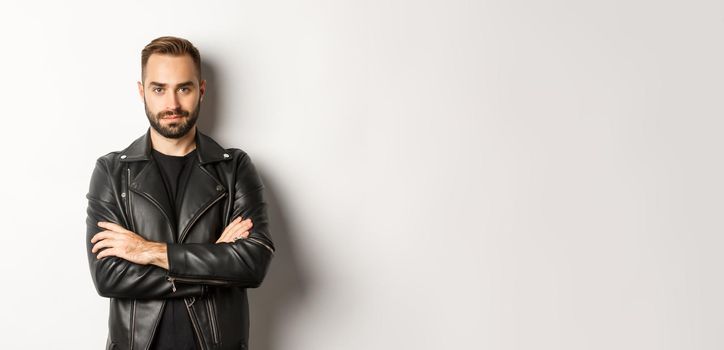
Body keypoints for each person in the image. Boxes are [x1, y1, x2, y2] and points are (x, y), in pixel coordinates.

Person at [85, 36, 275, 350]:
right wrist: (215, 263)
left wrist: (149, 252)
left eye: (183, 88)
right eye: (159, 89)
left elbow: (252, 263)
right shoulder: (112, 172)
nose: (172, 104)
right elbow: (109, 276)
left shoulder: (235, 168)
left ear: (201, 90)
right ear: (142, 92)